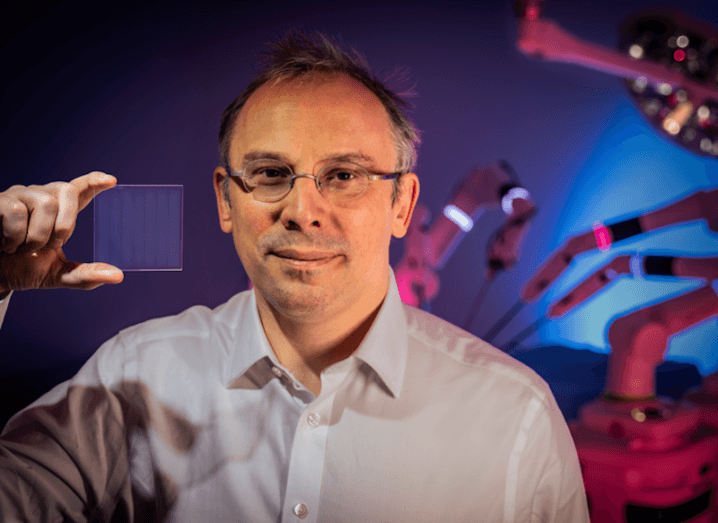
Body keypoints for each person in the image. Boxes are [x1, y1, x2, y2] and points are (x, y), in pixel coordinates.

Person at [0, 32, 590, 522]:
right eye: (271, 172)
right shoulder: (132, 377)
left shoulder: (515, 421)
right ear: (226, 201)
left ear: (403, 205)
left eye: (343, 175)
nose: (302, 210)